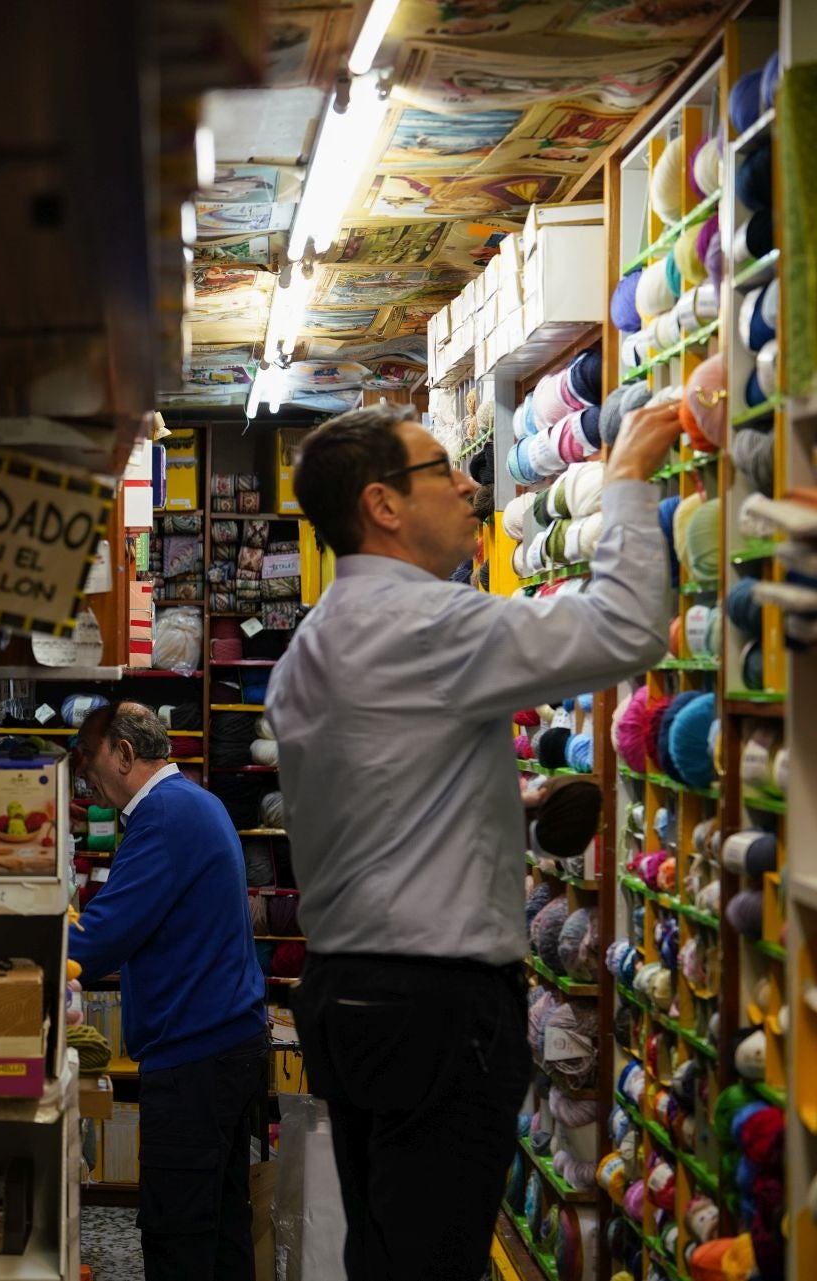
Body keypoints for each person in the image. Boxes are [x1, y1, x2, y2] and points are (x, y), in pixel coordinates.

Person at [266, 399, 680, 1280]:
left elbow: (374, 798)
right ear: (383, 504)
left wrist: (508, 802)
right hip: (436, 1007)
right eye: (440, 468)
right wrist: (631, 480)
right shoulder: (433, 623)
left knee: (387, 1250)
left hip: (350, 996)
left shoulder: (311, 645)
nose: (468, 484)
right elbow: (625, 629)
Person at [70, 701, 268, 1281]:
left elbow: (105, 936)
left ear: (126, 754)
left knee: (177, 1233)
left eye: (92, 766)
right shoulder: (196, 801)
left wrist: (26, 955)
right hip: (227, 1045)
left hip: (194, 1058)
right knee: (223, 1222)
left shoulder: (161, 815)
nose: (89, 780)